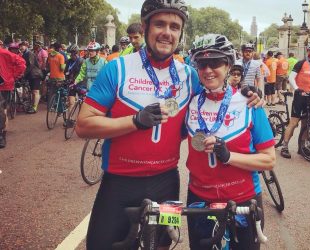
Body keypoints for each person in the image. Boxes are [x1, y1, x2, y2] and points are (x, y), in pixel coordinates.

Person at [75, 1, 262, 249]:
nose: (167, 32)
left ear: (180, 33)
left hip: (166, 182)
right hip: (119, 181)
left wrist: (248, 92)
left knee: (164, 245)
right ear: (145, 27)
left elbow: (218, 94)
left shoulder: (190, 75)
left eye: (175, 26)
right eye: (160, 24)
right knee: (101, 245)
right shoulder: (117, 69)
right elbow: (83, 125)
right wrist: (134, 121)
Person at [186, 33, 275, 250]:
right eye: (202, 63)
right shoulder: (190, 103)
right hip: (200, 199)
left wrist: (228, 156)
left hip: (243, 198)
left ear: (227, 65)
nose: (208, 70)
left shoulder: (249, 103)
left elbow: (269, 160)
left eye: (215, 62)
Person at [280, 42, 310, 159]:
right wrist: (297, 89)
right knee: (294, 123)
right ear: (308, 52)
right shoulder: (301, 63)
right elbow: (291, 77)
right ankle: (284, 146)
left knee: (306, 123)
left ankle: (302, 147)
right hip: (300, 97)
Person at [0, 47, 26, 148]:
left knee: (2, 110)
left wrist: (12, 76)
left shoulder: (3, 53)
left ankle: (2, 135)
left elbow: (21, 63)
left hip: (3, 86)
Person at [19, 41, 43, 113]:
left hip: (35, 75)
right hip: (30, 75)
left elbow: (31, 65)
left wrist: (24, 73)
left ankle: (34, 108)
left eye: (22, 45)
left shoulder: (29, 53)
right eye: (20, 46)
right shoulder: (24, 54)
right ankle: (31, 105)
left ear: (26, 46)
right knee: (32, 91)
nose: (21, 47)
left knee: (35, 91)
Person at [65, 44, 84, 125]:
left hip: (80, 84)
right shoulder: (69, 61)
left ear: (77, 53)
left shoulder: (81, 61)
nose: (72, 56)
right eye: (70, 54)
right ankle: (70, 119)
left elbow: (82, 73)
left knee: (82, 103)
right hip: (71, 84)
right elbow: (65, 71)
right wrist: (67, 78)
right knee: (71, 102)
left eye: (73, 54)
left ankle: (82, 119)